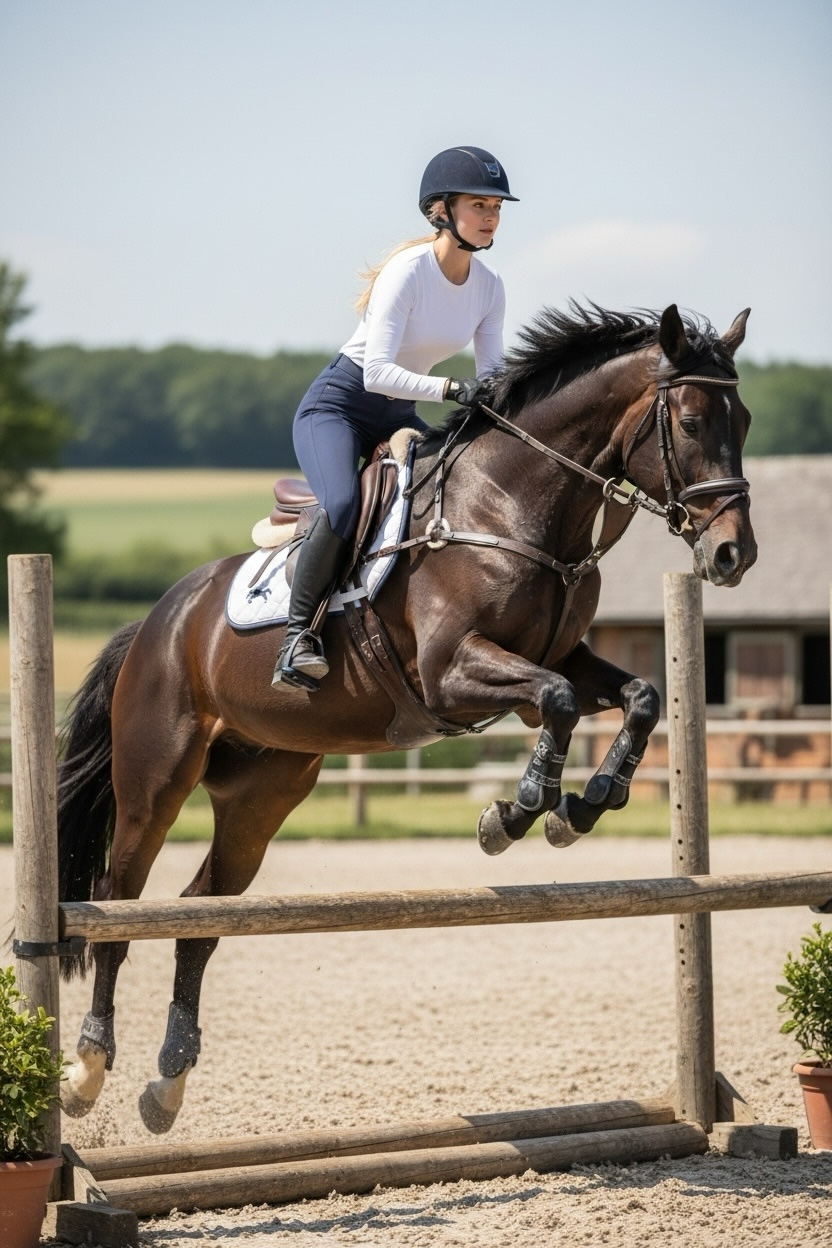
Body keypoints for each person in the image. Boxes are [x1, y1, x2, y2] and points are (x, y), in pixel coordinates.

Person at [272, 145, 518, 692]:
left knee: (449, 491)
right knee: (340, 503)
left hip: (397, 415)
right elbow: (377, 373)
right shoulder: (408, 271)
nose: (491, 216)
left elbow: (494, 378)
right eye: (479, 204)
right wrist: (453, 387)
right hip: (338, 405)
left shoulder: (490, 287)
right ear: (440, 211)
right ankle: (297, 638)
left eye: (496, 207)